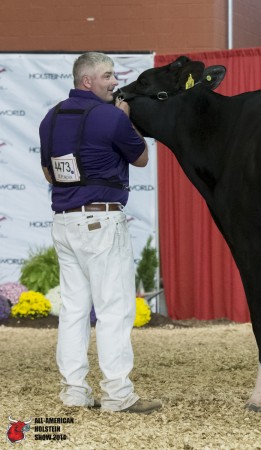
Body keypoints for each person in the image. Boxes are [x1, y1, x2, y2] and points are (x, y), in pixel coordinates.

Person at [39, 52, 162, 414]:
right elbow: (141, 157)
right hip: (101, 221)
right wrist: (125, 119)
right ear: (87, 80)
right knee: (114, 309)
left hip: (64, 222)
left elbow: (48, 173)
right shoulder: (111, 116)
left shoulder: (51, 117)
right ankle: (117, 394)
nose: (114, 82)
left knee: (74, 310)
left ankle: (74, 392)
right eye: (107, 76)